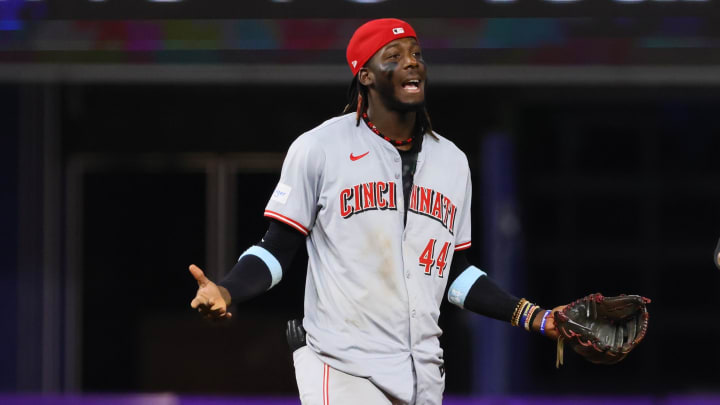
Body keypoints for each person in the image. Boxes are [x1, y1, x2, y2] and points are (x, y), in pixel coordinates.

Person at [189, 18, 563, 405]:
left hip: (423, 373)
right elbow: (277, 248)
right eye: (395, 56)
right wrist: (228, 289)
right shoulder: (320, 147)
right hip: (343, 364)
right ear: (365, 74)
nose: (412, 62)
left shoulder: (452, 161)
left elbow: (452, 271)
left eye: (417, 54)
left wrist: (534, 316)